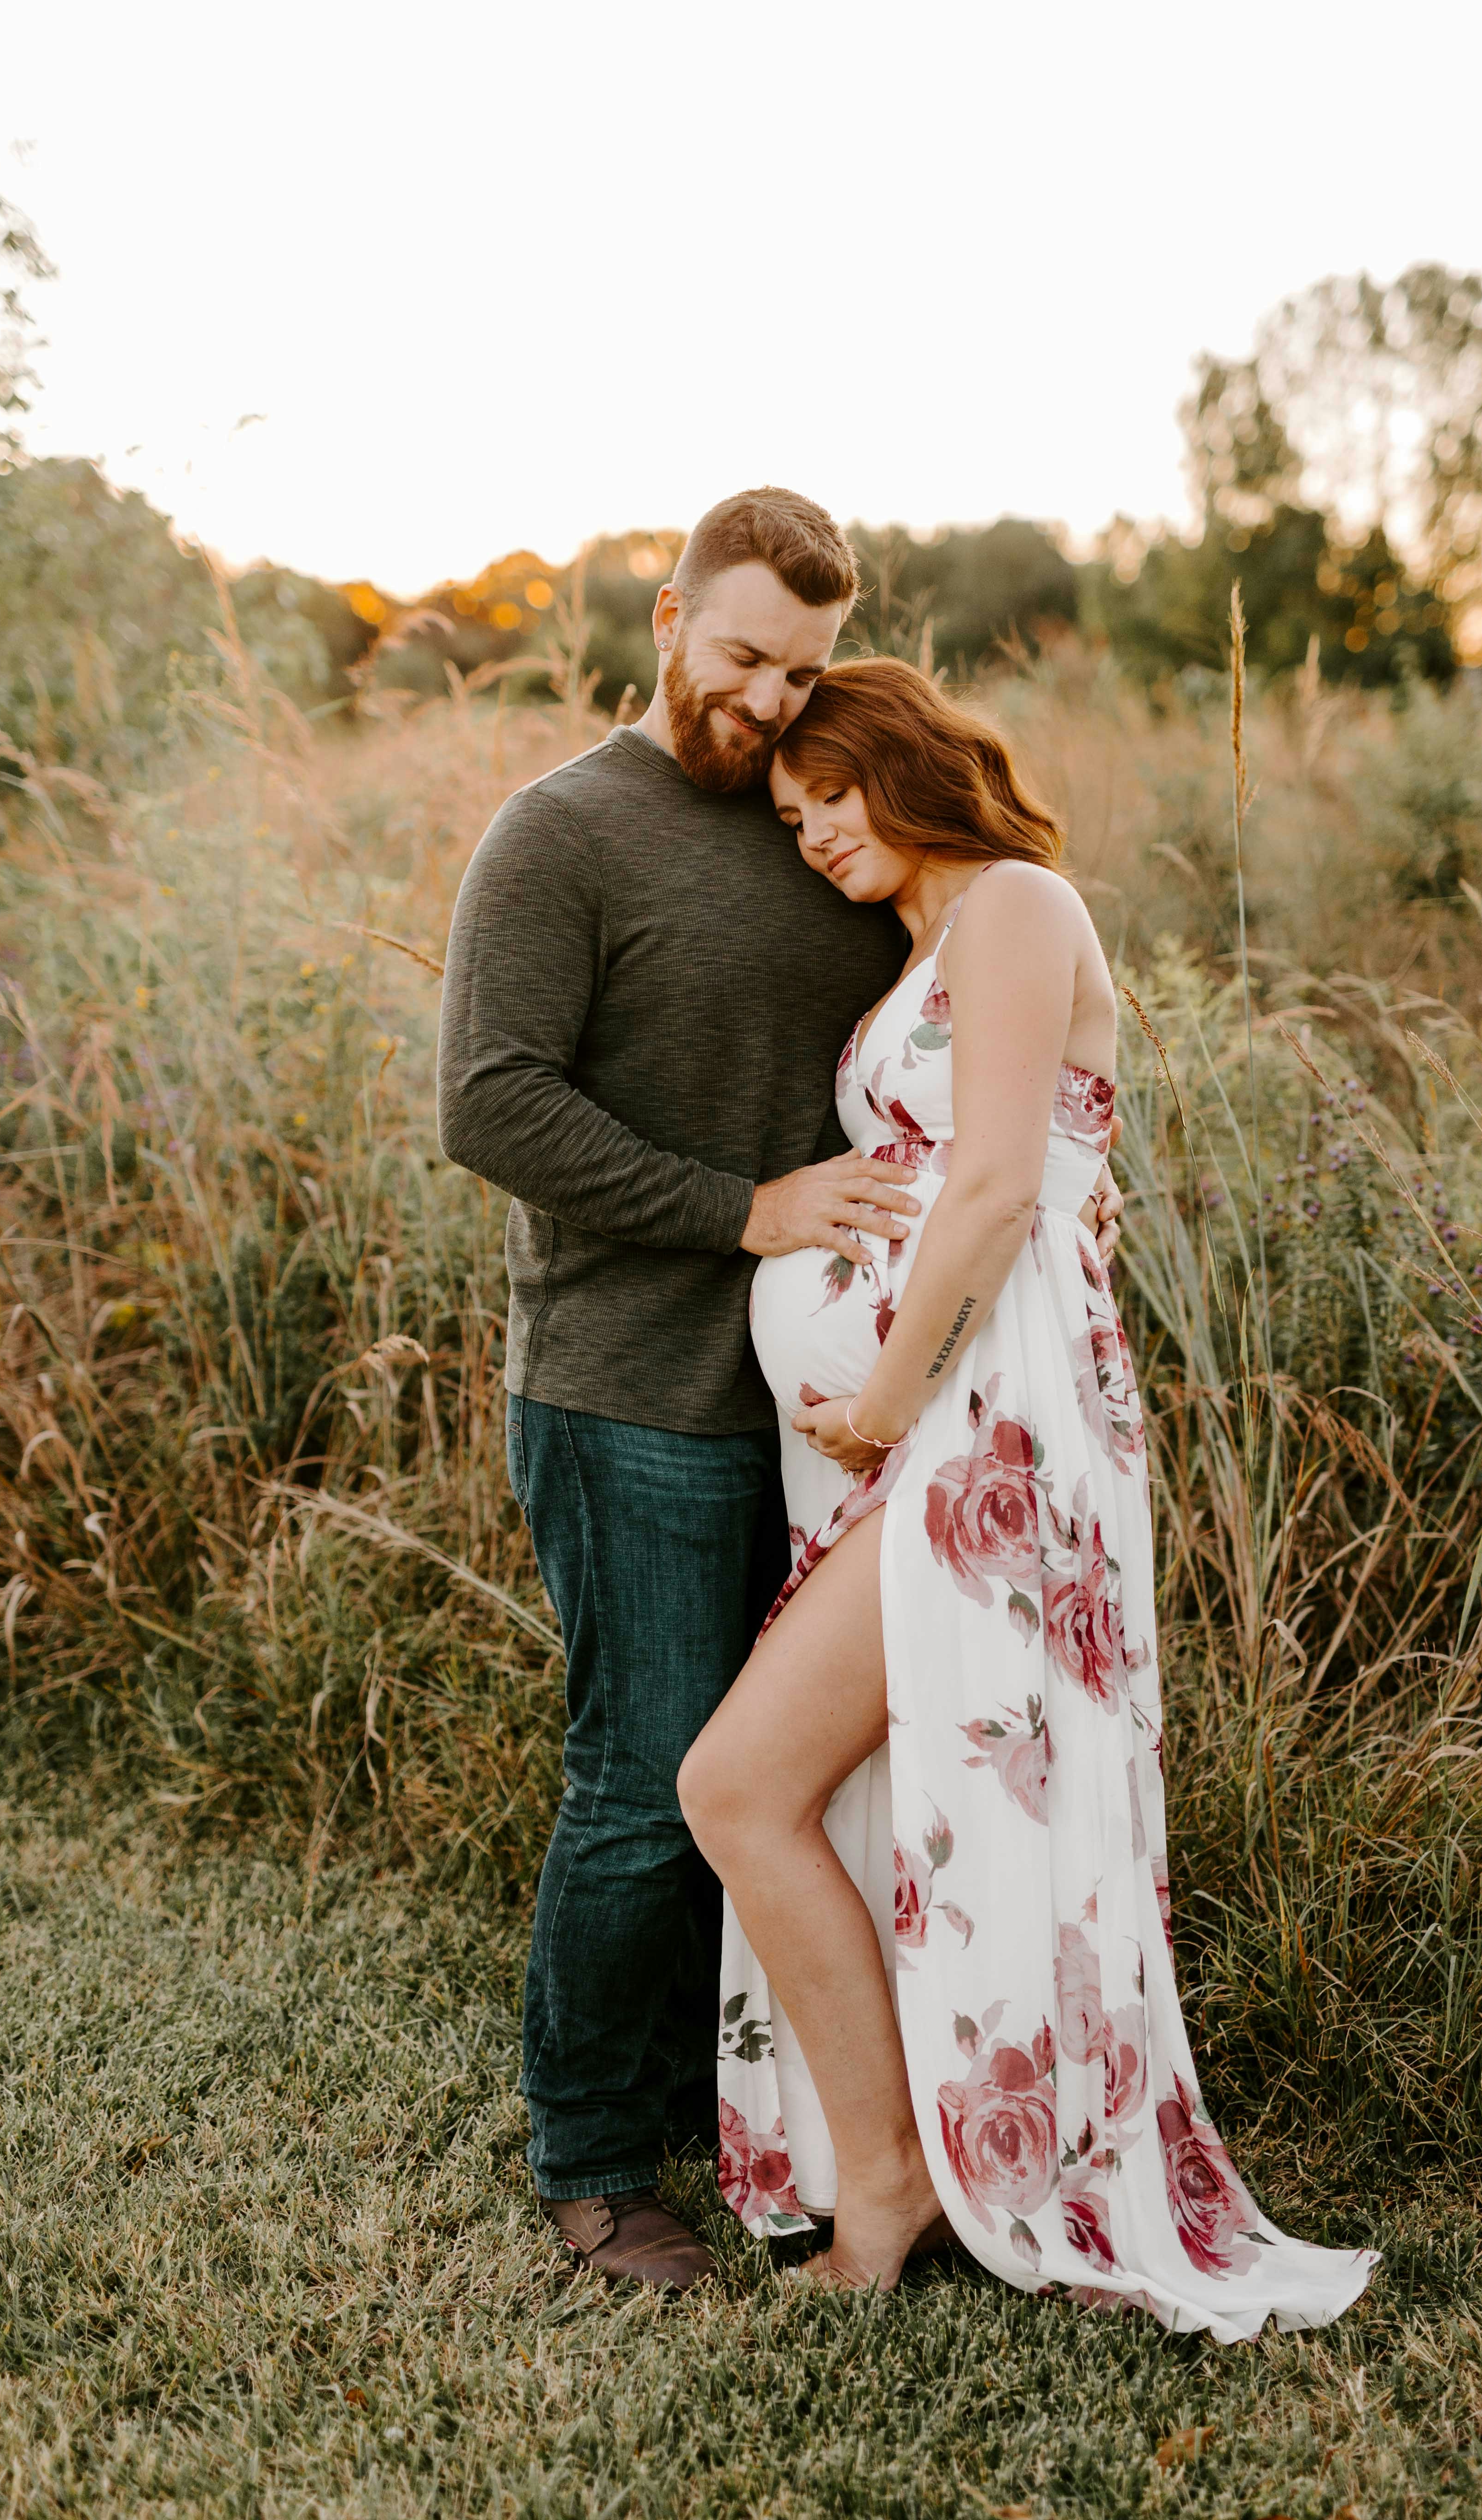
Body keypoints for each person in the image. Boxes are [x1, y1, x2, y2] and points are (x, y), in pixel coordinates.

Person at [437, 486, 1128, 2290]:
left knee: (808, 1793)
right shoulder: (560, 834)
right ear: (666, 616)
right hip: (630, 1389)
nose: (769, 704)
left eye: (806, 672)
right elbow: (490, 1105)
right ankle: (598, 2168)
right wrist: (748, 1217)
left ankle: (801, 2126)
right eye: (746, 655)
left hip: (840, 1441)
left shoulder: (825, 825)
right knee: (647, 1774)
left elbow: (990, 1093)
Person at [679, 659, 1378, 2339]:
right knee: (790, 1790)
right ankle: (893, 2151)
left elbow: (996, 1184)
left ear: (904, 762)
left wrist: (891, 1403)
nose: (813, 833)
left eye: (830, 793)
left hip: (978, 1428)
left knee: (737, 1782)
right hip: (930, 1424)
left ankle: (904, 2171)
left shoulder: (1011, 903)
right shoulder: (929, 944)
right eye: (790, 819)